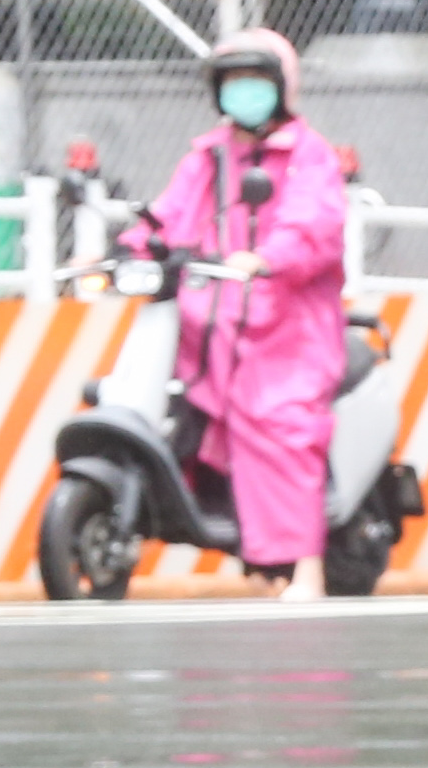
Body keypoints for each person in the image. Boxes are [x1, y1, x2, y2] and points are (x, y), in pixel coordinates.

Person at [130, 29, 349, 598]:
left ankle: (306, 568)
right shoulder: (208, 157)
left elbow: (314, 226)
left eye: (254, 81)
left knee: (284, 427)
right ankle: (250, 555)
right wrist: (126, 247)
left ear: (282, 88)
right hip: (210, 326)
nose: (242, 93)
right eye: (232, 82)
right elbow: (169, 216)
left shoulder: (308, 156)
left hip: (289, 332)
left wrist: (269, 257)